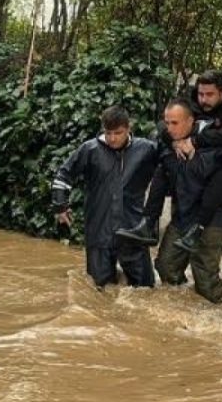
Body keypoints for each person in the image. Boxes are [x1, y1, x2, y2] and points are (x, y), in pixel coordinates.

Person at [116, 70, 222, 251]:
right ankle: (148, 223)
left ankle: (198, 228)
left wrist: (195, 141)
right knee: (165, 160)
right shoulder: (193, 103)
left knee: (221, 171)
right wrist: (175, 142)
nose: (203, 99)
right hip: (190, 172)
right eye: (201, 94)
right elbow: (165, 124)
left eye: (209, 95)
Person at [152, 99, 222, 304]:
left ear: (191, 121)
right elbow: (157, 132)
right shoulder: (168, 141)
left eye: (175, 123)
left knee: (205, 278)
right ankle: (180, 310)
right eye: (168, 123)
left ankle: (215, 319)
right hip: (182, 218)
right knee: (165, 266)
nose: (170, 128)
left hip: (214, 221)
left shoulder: (215, 140)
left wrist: (220, 194)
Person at [51, 105, 157, 289]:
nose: (112, 138)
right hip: (99, 232)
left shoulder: (146, 149)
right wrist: (60, 206)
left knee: (145, 290)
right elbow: (63, 175)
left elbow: (170, 162)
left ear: (128, 128)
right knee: (99, 290)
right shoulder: (90, 149)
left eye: (118, 133)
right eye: (108, 133)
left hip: (133, 231)